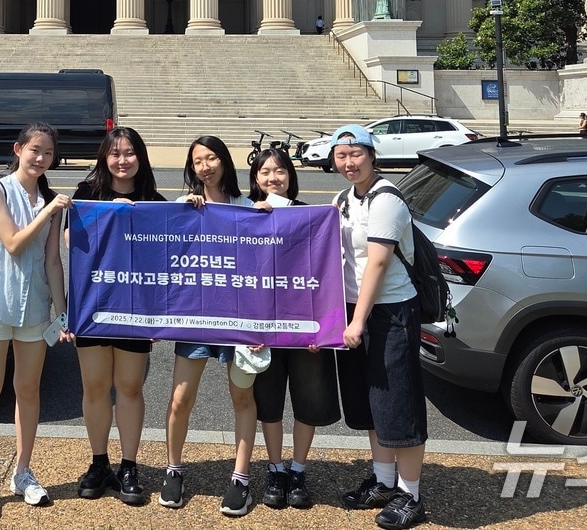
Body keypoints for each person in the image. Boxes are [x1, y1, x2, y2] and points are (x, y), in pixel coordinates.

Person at [0, 122, 73, 519]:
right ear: (18, 149)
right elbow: (12, 243)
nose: (41, 158)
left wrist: (62, 313)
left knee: (28, 390)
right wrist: (48, 210)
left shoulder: (48, 198)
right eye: (34, 150)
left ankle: (22, 471)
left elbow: (51, 261)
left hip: (33, 309)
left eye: (47, 153)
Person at [161, 135, 264, 517]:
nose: (206, 165)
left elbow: (266, 262)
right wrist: (183, 214)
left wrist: (266, 213)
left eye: (212, 157)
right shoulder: (184, 205)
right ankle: (173, 469)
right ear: (192, 168)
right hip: (196, 319)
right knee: (180, 398)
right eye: (198, 161)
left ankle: (240, 476)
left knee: (241, 398)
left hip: (239, 321)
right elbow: (164, 250)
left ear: (224, 161)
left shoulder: (246, 206)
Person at [331, 124, 428, 528]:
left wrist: (356, 321)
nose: (349, 162)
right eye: (341, 155)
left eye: (356, 153)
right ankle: (384, 481)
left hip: (389, 313)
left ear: (372, 156)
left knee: (397, 406)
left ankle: (411, 494)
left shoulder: (386, 200)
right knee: (371, 404)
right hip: (356, 311)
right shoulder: (343, 199)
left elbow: (378, 262)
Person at [70, 126, 166, 505]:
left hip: (136, 309)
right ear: (104, 158)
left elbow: (166, 260)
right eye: (115, 153)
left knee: (129, 388)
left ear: (140, 157)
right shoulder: (85, 195)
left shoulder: (155, 202)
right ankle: (98, 462)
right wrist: (110, 213)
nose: (122, 160)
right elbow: (71, 243)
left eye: (129, 153)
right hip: (93, 304)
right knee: (94, 388)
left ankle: (129, 465)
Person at [247, 146, 340, 510]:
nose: (274, 178)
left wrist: (324, 329)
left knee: (308, 400)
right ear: (255, 179)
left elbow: (327, 274)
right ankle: (276, 468)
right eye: (265, 172)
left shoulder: (312, 216)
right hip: (262, 332)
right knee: (267, 402)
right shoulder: (245, 215)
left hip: (305, 328)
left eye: (280, 170)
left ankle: (298, 469)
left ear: (291, 175)